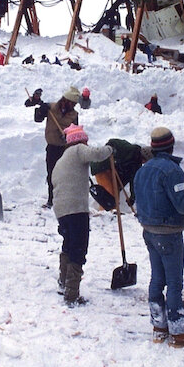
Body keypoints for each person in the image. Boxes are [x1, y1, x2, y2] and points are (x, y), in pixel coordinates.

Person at [134, 127, 184, 347]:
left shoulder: (142, 170)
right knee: (174, 283)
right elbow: (182, 206)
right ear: (171, 145)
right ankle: (179, 334)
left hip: (149, 232)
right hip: (168, 234)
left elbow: (136, 201)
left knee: (156, 279)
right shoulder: (172, 171)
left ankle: (159, 327)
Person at [51, 125, 113, 306]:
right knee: (79, 249)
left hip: (61, 210)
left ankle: (63, 282)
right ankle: (71, 294)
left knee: (69, 245)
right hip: (76, 209)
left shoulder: (61, 160)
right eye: (85, 140)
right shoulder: (78, 150)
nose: (87, 143)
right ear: (80, 140)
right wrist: (110, 149)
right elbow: (97, 154)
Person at [34, 86, 81, 207]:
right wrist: (40, 111)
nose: (73, 106)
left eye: (74, 104)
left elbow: (75, 132)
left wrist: (69, 136)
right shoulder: (51, 108)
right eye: (71, 103)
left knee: (65, 175)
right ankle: (51, 200)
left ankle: (64, 200)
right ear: (65, 100)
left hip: (66, 149)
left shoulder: (74, 115)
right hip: (52, 147)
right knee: (51, 174)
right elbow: (38, 119)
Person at [90, 139, 153, 207]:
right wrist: (112, 150)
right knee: (109, 196)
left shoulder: (136, 163)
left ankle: (113, 213)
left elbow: (134, 181)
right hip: (101, 166)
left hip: (110, 170)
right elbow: (113, 141)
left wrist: (132, 198)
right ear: (144, 158)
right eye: (146, 161)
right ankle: (106, 214)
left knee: (115, 194)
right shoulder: (130, 149)